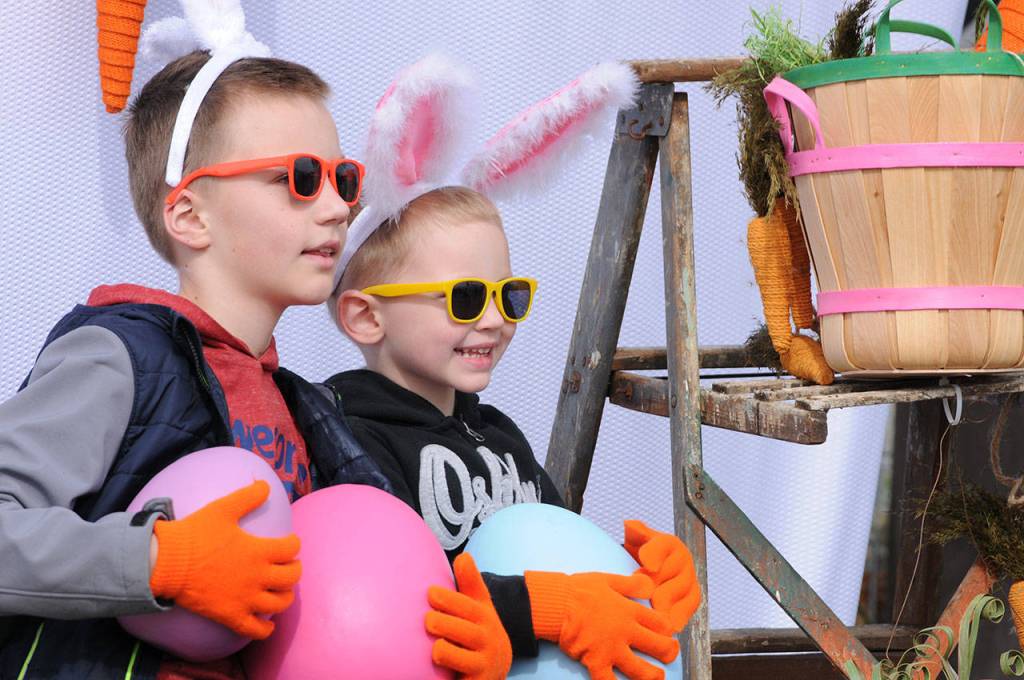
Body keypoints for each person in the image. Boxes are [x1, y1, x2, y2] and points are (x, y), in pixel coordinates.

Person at [0, 4, 388, 678]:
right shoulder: (118, 358)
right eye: (298, 178)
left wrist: (530, 609)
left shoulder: (305, 410)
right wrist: (159, 561)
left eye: (343, 178)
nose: (336, 208)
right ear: (188, 213)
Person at [324, 55, 700, 680]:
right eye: (467, 297)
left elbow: (556, 554)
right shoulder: (348, 439)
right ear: (366, 317)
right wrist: (548, 610)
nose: (496, 321)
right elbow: (388, 600)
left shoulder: (499, 436)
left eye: (510, 295)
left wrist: (637, 582)